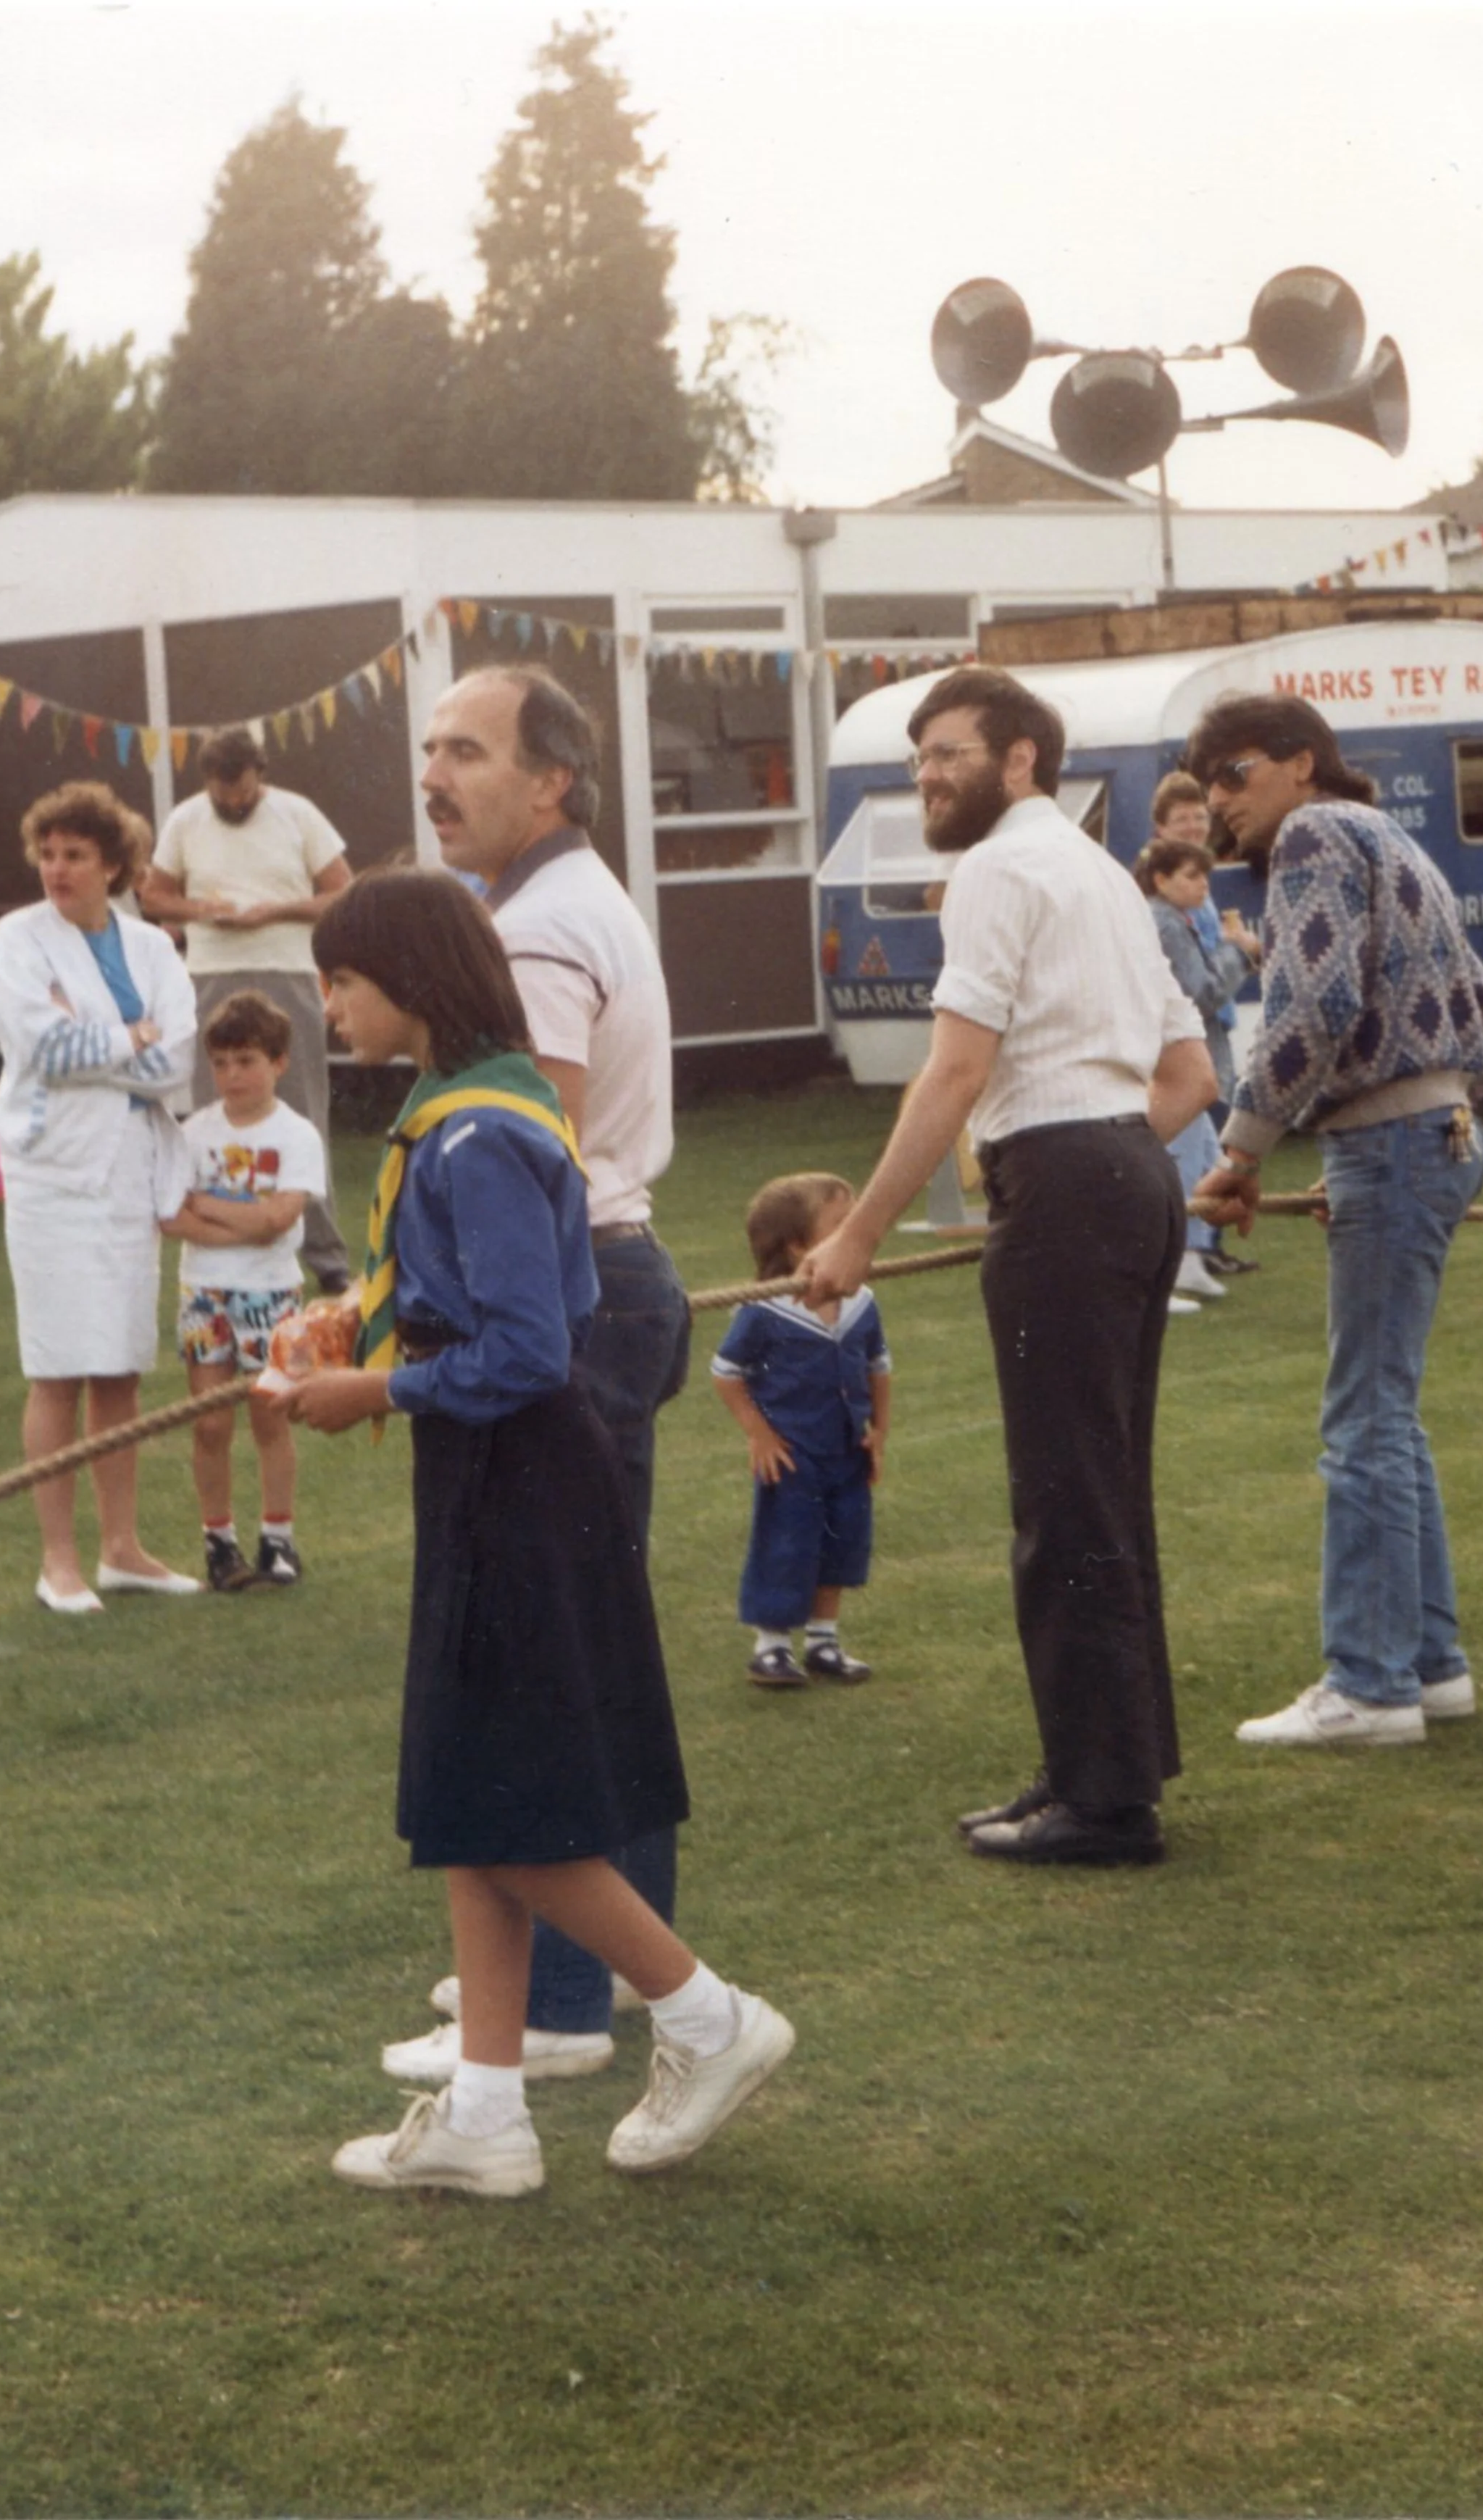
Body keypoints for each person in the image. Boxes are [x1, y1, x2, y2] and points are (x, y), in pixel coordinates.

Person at [286, 867, 793, 2198]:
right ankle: (487, 2112)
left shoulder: (478, 1133)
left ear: (410, 979)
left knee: (506, 1806)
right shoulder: (466, 1110)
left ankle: (707, 2017)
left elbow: (526, 1347)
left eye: (343, 979)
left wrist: (377, 1391)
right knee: (472, 1796)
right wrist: (365, 1330)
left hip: (520, 1477)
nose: (329, 1005)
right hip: (487, 1473)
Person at [798, 667, 1216, 1869]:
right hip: (1130, 1172)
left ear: (1022, 757)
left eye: (950, 753)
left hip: (1075, 1185)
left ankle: (1105, 1803)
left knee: (1065, 1498)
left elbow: (955, 1071)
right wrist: (1105, 1145)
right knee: (1103, 1488)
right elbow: (1189, 1076)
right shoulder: (1098, 870)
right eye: (918, 757)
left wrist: (859, 1233)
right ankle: (1100, 1770)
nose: (927, 775)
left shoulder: (996, 870)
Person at [380, 665, 691, 2087]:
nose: (434, 776)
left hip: (576, 1306)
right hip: (605, 1290)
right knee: (583, 1646)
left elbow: (527, 1145)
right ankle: (576, 1970)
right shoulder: (551, 900)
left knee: (553, 1663)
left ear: (552, 779)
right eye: (430, 748)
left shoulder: (544, 925)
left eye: (467, 750)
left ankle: (567, 2002)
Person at [1185, 692, 1483, 1748]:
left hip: (1396, 1143)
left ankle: (1370, 1686)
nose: (1217, 802)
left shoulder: (1315, 835)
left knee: (1363, 1418)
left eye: (1232, 774)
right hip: (1435, 1135)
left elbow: (1311, 1009)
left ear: (1300, 762)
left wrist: (1242, 1151)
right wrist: (1418, 1120)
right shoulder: (1391, 838)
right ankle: (1432, 1667)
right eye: (1206, 786)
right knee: (1388, 1413)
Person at [0, 783, 201, 1613]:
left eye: (75, 854)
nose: (57, 868)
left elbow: (176, 1059)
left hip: (127, 1175)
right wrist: (130, 1037)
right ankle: (58, 1561)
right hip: (52, 1175)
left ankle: (121, 1549)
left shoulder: (151, 947)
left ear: (114, 865)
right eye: (48, 853)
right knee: (57, 1369)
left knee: (119, 1369)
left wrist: (105, 1041)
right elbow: (41, 1046)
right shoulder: (18, 938)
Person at [143, 726, 353, 1292]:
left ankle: (327, 1259)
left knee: (303, 1112)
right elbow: (154, 896)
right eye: (221, 791)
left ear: (259, 774)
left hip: (287, 971)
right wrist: (201, 910)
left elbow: (343, 891)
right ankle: (225, 1245)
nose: (232, 801)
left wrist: (274, 911)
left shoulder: (298, 814)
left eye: (241, 790)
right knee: (218, 1109)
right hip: (211, 975)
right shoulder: (186, 819)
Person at [161, 989, 325, 1592]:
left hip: (272, 1294)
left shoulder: (296, 1135)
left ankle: (278, 1539)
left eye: (247, 1061)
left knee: (271, 1418)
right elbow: (172, 1218)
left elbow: (278, 1220)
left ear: (279, 1062)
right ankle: (219, 1543)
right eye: (222, 1063)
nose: (233, 1076)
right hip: (205, 1293)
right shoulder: (192, 1133)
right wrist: (243, 1220)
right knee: (209, 1424)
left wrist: (208, 1205)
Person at [711, 1171, 890, 1688]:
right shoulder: (765, 1311)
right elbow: (726, 1372)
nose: (856, 1231)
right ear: (797, 1247)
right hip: (792, 1453)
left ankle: (823, 1641)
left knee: (843, 1540)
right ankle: (771, 1647)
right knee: (787, 1543)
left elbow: (879, 1365)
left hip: (847, 1449)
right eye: (841, 1224)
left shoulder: (861, 1301)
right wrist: (759, 1434)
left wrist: (879, 1431)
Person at [1132, 826, 1259, 1304]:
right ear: (1161, 880)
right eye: (1191, 875)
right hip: (1169, 1062)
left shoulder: (1173, 919)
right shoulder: (1165, 923)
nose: (1203, 884)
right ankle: (1170, 1266)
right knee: (1185, 1159)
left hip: (1173, 1059)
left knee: (1203, 1151)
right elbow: (1199, 993)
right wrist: (1240, 953)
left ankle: (1190, 1258)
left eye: (1205, 875)